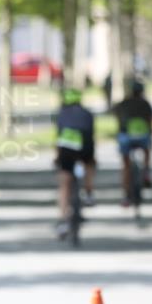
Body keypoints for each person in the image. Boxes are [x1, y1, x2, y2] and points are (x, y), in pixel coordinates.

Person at [54, 87, 96, 236]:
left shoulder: (61, 114)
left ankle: (63, 219)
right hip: (85, 146)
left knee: (64, 183)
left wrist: (57, 157)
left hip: (66, 147)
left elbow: (58, 137)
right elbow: (91, 135)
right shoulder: (87, 113)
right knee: (89, 165)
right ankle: (89, 193)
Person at [113, 80, 152, 205]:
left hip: (126, 136)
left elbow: (116, 116)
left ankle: (126, 195)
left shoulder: (123, 103)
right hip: (143, 136)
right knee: (147, 150)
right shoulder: (146, 104)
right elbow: (151, 121)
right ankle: (146, 173)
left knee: (125, 165)